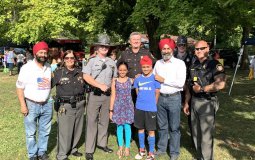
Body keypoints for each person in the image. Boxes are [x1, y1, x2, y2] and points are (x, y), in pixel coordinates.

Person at [188, 40, 226, 160]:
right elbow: (190, 84)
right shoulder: (194, 65)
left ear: (207, 49)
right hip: (194, 101)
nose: (199, 51)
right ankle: (200, 156)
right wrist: (186, 102)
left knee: (206, 135)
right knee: (196, 133)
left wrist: (203, 89)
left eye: (201, 48)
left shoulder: (214, 64)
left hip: (207, 102)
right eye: (197, 49)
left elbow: (221, 84)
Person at [83, 34, 117, 160]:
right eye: (102, 46)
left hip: (107, 96)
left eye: (106, 46)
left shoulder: (112, 62)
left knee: (104, 121)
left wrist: (113, 96)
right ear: (97, 47)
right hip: (94, 94)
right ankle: (89, 149)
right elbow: (86, 76)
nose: (104, 48)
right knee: (91, 121)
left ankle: (102, 143)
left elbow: (113, 80)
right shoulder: (91, 61)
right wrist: (99, 85)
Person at [16, 41, 52, 160]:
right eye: (41, 52)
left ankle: (42, 152)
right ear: (35, 53)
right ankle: (32, 154)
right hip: (31, 104)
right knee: (31, 133)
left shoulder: (48, 66)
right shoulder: (27, 68)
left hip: (47, 104)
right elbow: (19, 88)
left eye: (45, 52)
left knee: (45, 130)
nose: (43, 54)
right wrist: (23, 105)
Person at [153, 38, 186, 160]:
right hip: (160, 98)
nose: (166, 51)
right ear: (161, 50)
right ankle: (161, 148)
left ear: (172, 49)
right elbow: (153, 78)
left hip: (174, 98)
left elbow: (180, 83)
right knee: (161, 126)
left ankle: (174, 152)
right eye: (163, 48)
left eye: (168, 48)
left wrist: (164, 80)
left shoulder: (179, 63)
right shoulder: (158, 63)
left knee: (174, 127)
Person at [51, 50, 85, 160]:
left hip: (80, 104)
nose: (69, 60)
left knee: (77, 128)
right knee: (65, 131)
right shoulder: (58, 72)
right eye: (67, 58)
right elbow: (47, 86)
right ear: (63, 60)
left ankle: (73, 148)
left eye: (71, 58)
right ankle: (61, 155)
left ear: (75, 59)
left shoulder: (80, 72)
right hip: (65, 106)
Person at [133, 56, 160, 160]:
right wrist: (139, 103)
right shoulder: (138, 79)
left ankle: (151, 152)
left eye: (147, 67)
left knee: (151, 130)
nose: (145, 69)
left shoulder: (155, 78)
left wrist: (154, 104)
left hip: (151, 108)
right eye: (143, 67)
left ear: (151, 67)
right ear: (141, 67)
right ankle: (142, 150)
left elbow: (157, 92)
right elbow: (137, 91)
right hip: (140, 107)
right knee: (140, 129)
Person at [109, 62, 134, 159]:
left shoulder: (131, 80)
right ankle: (120, 146)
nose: (122, 71)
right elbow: (113, 96)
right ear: (117, 70)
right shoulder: (114, 81)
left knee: (127, 126)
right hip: (118, 106)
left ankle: (127, 147)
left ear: (127, 70)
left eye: (124, 70)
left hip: (128, 106)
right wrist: (111, 110)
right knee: (119, 126)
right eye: (120, 70)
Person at [174, 35, 194, 146]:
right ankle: (175, 139)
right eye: (179, 44)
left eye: (183, 44)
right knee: (174, 114)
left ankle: (193, 138)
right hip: (176, 88)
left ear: (186, 45)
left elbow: (194, 72)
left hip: (188, 87)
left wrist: (189, 83)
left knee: (190, 114)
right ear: (177, 45)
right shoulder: (173, 56)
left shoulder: (191, 57)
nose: (181, 46)